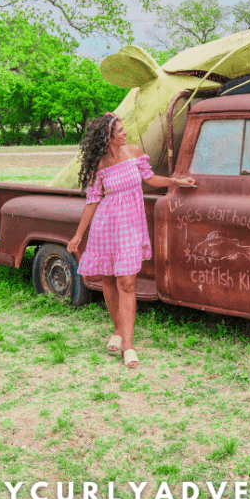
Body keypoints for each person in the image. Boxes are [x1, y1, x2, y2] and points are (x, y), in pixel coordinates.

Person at [67, 112, 195, 368]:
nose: (126, 133)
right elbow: (93, 200)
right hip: (106, 225)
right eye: (120, 130)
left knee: (126, 281)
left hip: (131, 225)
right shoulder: (99, 164)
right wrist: (78, 235)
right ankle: (117, 328)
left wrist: (175, 181)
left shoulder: (135, 152)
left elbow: (149, 179)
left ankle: (128, 345)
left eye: (125, 129)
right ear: (108, 137)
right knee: (108, 279)